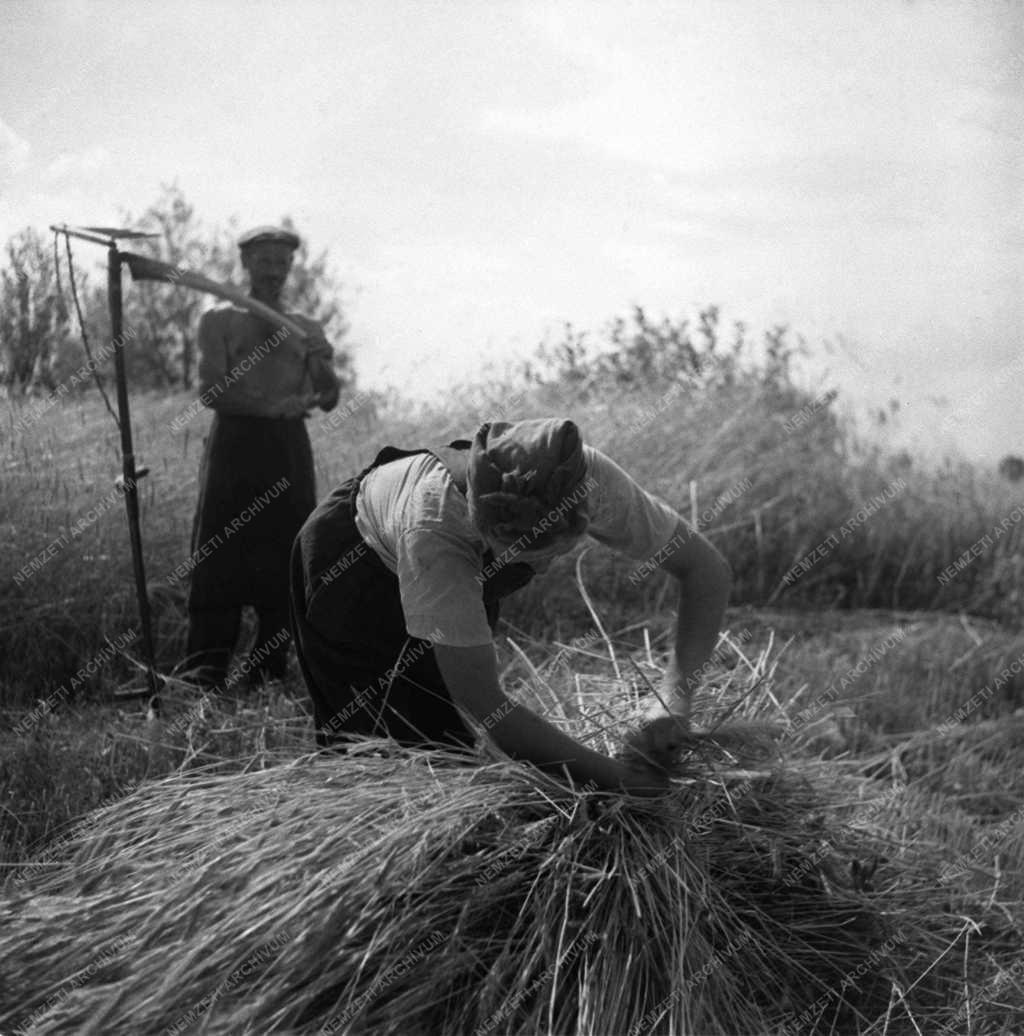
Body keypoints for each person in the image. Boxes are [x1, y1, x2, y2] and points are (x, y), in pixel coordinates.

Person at [290, 417, 731, 795]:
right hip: (353, 571)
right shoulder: (438, 530)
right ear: (480, 524)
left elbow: (706, 571)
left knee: (452, 748)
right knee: (384, 759)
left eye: (551, 551)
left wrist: (673, 700)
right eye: (517, 554)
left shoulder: (586, 479)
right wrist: (624, 782)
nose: (537, 566)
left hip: (446, 569)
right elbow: (488, 707)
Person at [184, 225, 341, 689]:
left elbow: (329, 397)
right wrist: (269, 407)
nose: (274, 271)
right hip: (234, 447)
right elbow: (211, 389)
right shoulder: (219, 319)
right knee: (219, 556)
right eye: (265, 261)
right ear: (246, 263)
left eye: (282, 263)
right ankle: (203, 673)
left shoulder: (306, 326)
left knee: (287, 555)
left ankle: (267, 675)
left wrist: (322, 362)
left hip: (287, 450)